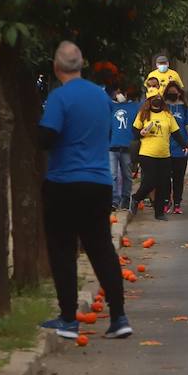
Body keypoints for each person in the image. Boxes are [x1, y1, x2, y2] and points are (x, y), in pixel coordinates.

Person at [37, 41, 132, 340]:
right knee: (102, 249)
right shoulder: (101, 97)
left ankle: (68, 319)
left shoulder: (58, 98)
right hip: (99, 183)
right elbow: (104, 133)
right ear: (81, 65)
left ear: (56, 67)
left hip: (64, 183)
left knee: (63, 250)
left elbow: (48, 136)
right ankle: (119, 317)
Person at [128, 92, 185, 221]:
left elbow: (175, 132)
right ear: (149, 101)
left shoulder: (167, 115)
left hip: (164, 154)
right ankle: (136, 198)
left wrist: (184, 145)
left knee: (162, 184)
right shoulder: (143, 114)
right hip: (147, 153)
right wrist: (142, 133)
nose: (157, 100)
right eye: (154, 98)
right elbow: (135, 132)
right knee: (150, 181)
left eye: (159, 98)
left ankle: (159, 212)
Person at [107, 86, 138, 210]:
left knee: (127, 175)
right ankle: (114, 201)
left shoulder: (134, 107)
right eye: (117, 92)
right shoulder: (110, 107)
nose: (118, 95)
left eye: (121, 92)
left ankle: (125, 198)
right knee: (112, 175)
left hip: (127, 147)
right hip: (112, 147)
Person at [165, 83, 188, 215]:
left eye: (174, 91)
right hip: (164, 148)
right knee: (164, 177)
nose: (172, 94)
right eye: (169, 91)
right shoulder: (163, 107)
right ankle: (166, 201)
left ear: (179, 93)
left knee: (178, 177)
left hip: (181, 148)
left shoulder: (185, 108)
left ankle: (177, 203)